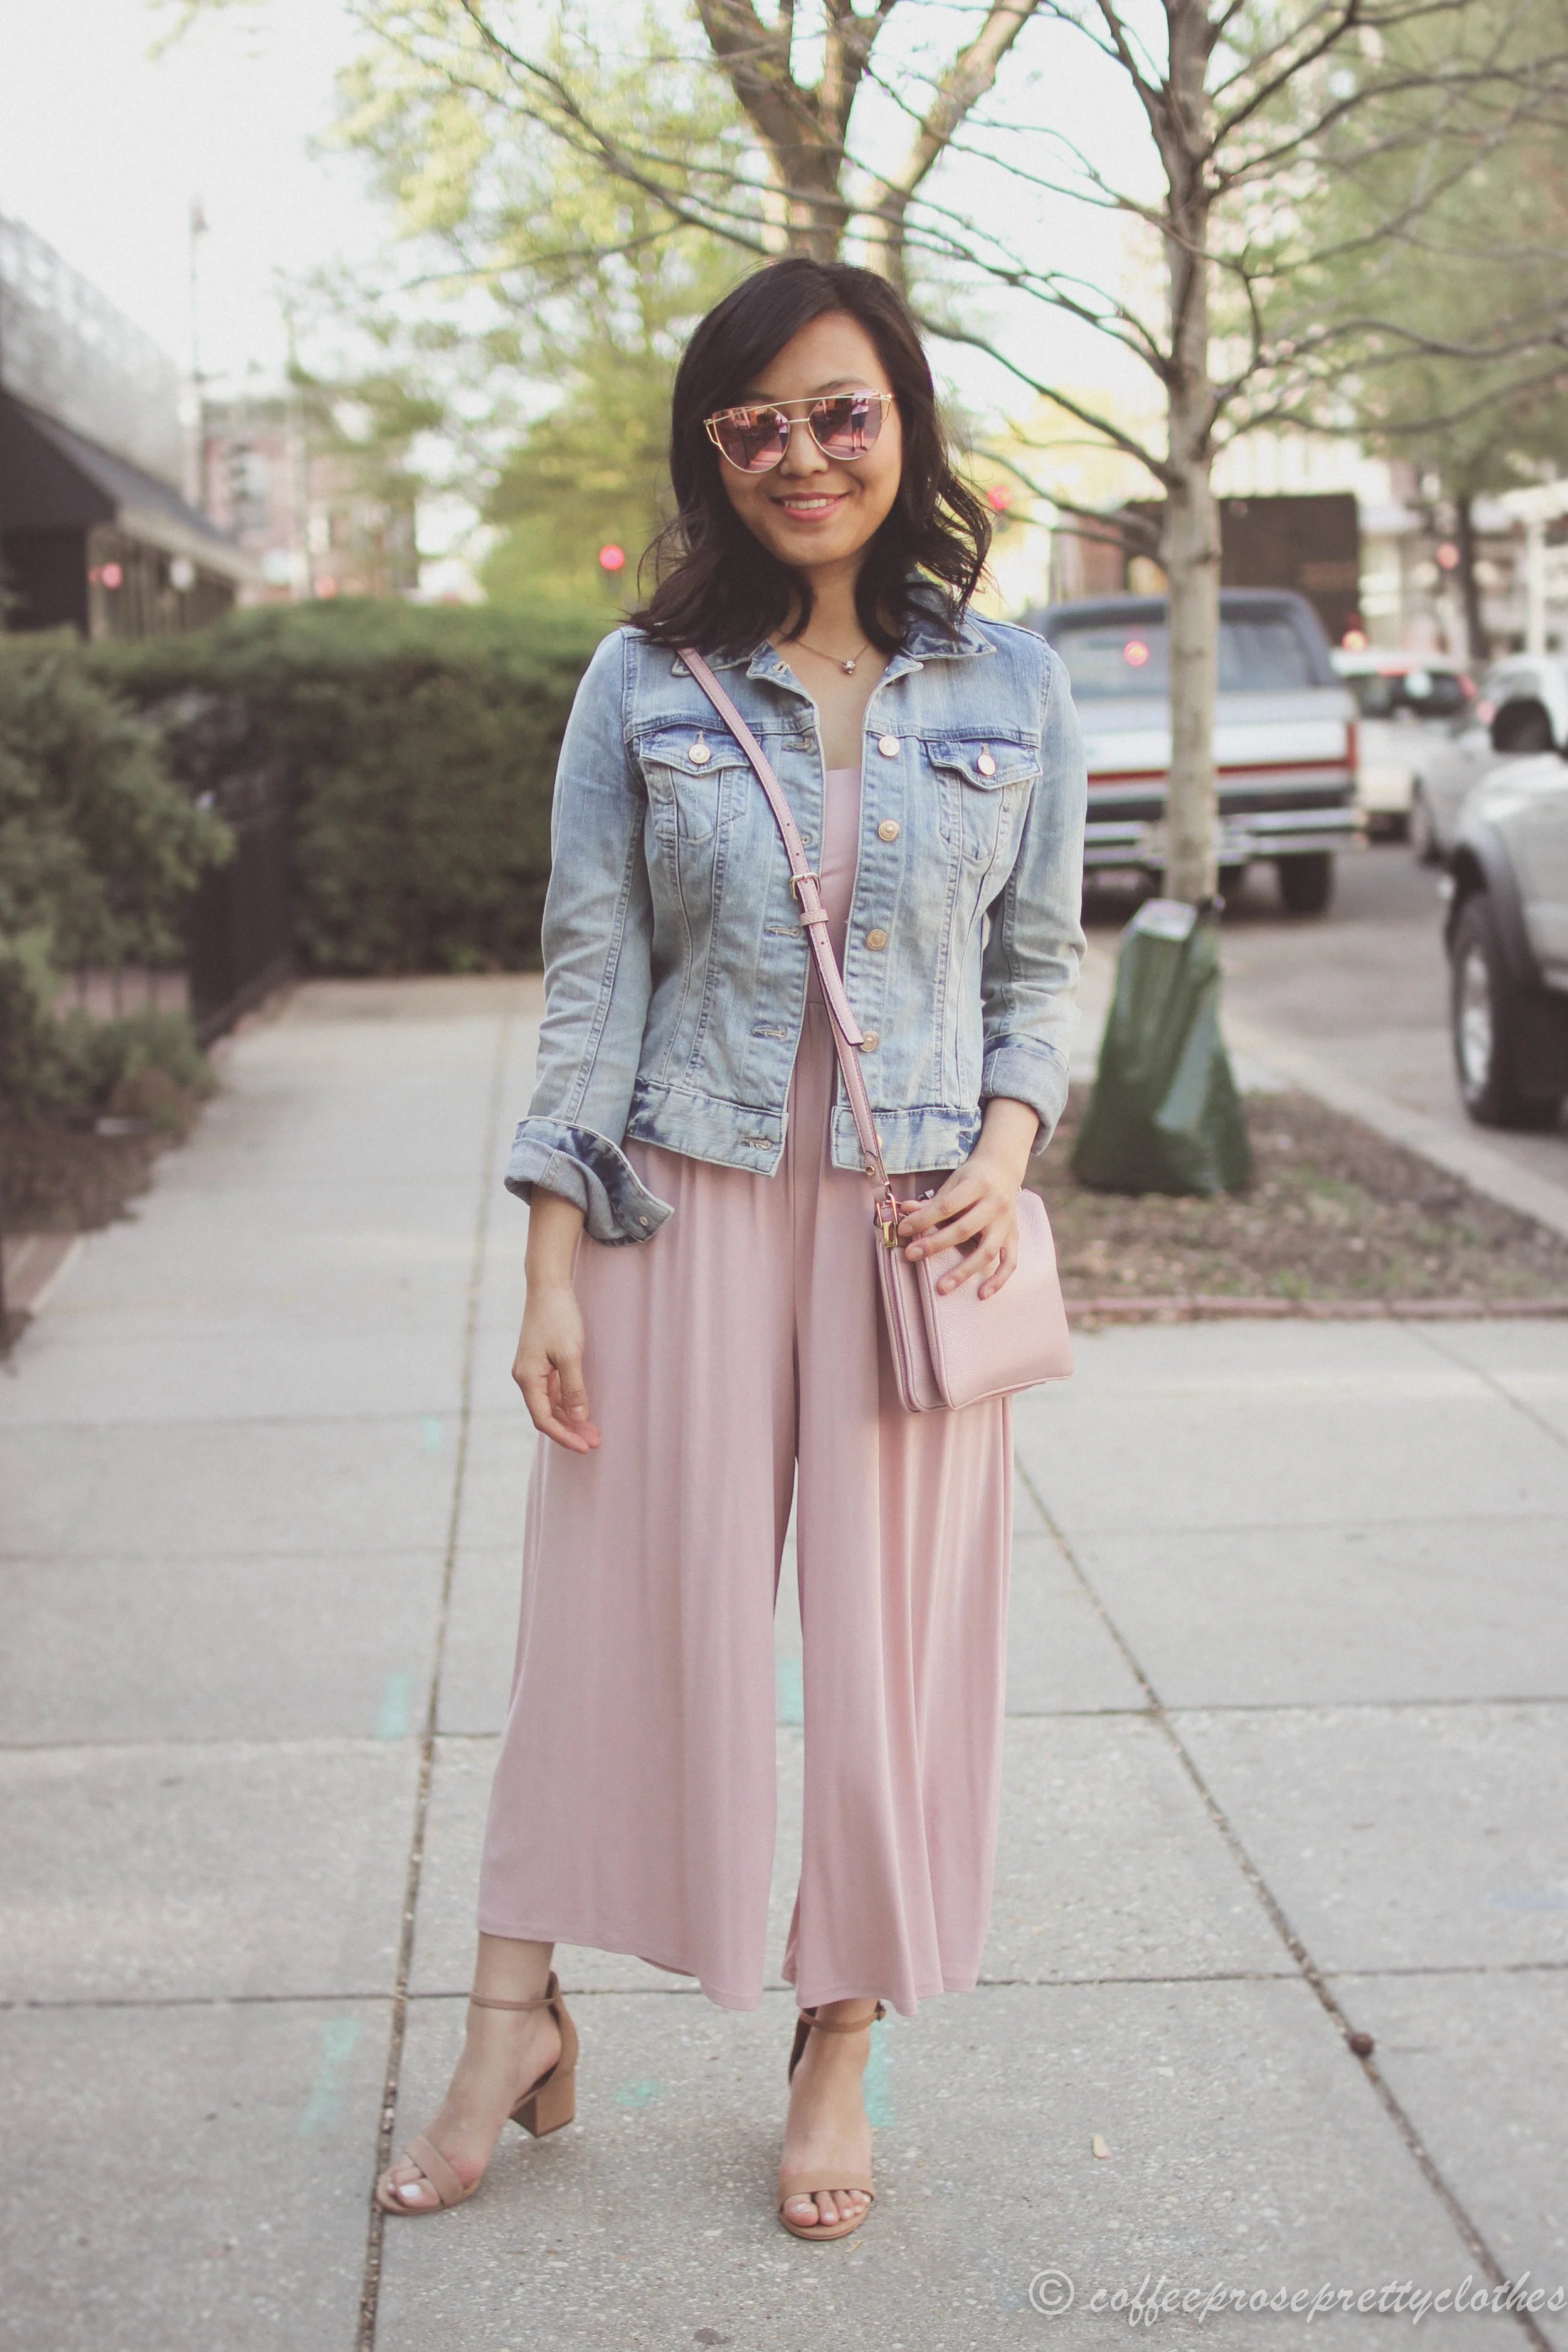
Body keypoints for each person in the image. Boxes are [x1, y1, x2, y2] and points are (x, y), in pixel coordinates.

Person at [375, 255, 1087, 2242]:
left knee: (884, 1663)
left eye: (840, 411)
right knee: (605, 1628)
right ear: (712, 453)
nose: (801, 453)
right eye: (753, 422)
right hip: (672, 1203)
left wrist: (1006, 1152)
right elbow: (589, 977)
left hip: (910, 1232)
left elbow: (1038, 974)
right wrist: (545, 1263)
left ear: (905, 426)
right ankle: (507, 2017)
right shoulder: (642, 683)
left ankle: (837, 2036)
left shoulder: (1015, 685)